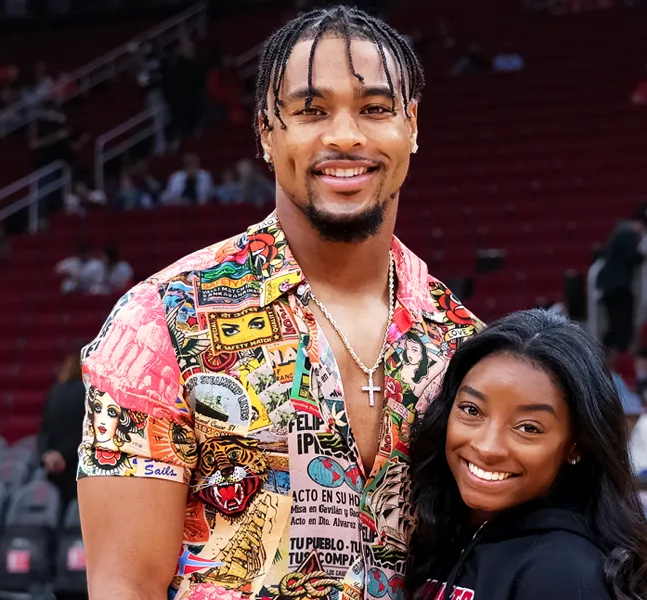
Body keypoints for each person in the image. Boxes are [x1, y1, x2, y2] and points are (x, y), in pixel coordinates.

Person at [76, 7, 481, 600]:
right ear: (267, 131)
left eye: (374, 109)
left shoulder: (460, 342)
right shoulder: (161, 323)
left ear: (411, 126)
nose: (345, 135)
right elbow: (123, 586)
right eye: (312, 111)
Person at [405, 310, 647, 600]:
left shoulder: (565, 574)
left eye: (528, 428)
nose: (487, 447)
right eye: (471, 410)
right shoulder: (440, 533)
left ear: (576, 445)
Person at [595, 212, 647, 353]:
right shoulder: (627, 236)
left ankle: (610, 349)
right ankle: (618, 348)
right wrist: (644, 256)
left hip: (611, 287)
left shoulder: (617, 236)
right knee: (621, 320)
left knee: (614, 321)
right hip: (618, 287)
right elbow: (632, 257)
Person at [37, 351, 86, 505]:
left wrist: (48, 455)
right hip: (79, 466)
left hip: (54, 467)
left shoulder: (56, 390)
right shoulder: (89, 391)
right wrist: (64, 455)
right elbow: (88, 431)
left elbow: (44, 430)